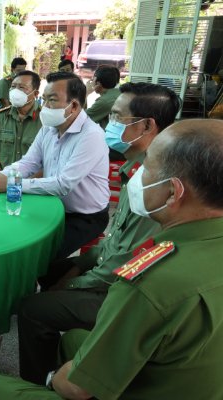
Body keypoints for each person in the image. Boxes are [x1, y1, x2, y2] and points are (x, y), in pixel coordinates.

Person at [0, 118, 223, 400]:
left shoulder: (151, 281)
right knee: (75, 341)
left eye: (148, 167)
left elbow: (78, 388)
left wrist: (53, 380)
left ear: (174, 191)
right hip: (183, 375)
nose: (137, 175)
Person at [16, 82, 180, 385]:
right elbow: (115, 242)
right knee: (44, 267)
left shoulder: (153, 183)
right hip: (110, 267)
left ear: (146, 125)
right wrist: (79, 264)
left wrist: (75, 283)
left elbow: (124, 263)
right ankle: (61, 355)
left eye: (117, 118)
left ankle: (40, 384)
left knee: (32, 308)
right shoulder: (134, 166)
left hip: (122, 291)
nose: (109, 125)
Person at [0, 72, 110, 260]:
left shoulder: (91, 135)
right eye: (43, 99)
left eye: (52, 100)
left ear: (73, 105)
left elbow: (62, 184)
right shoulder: (50, 127)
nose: (45, 106)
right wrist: (2, 175)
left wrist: (12, 183)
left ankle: (50, 285)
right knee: (12, 233)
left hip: (84, 216)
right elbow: (29, 162)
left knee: (40, 253)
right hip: (52, 204)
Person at [0, 70, 42, 169]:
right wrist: (0, 175)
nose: (15, 90)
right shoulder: (1, 116)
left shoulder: (44, 119)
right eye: (13, 86)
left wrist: (26, 183)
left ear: (35, 94)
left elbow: (48, 160)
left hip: (32, 181)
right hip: (3, 178)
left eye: (22, 87)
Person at [85, 65, 121, 129]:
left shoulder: (105, 101)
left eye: (93, 79)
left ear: (98, 83)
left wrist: (86, 93)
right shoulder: (118, 93)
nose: (91, 81)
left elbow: (81, 120)